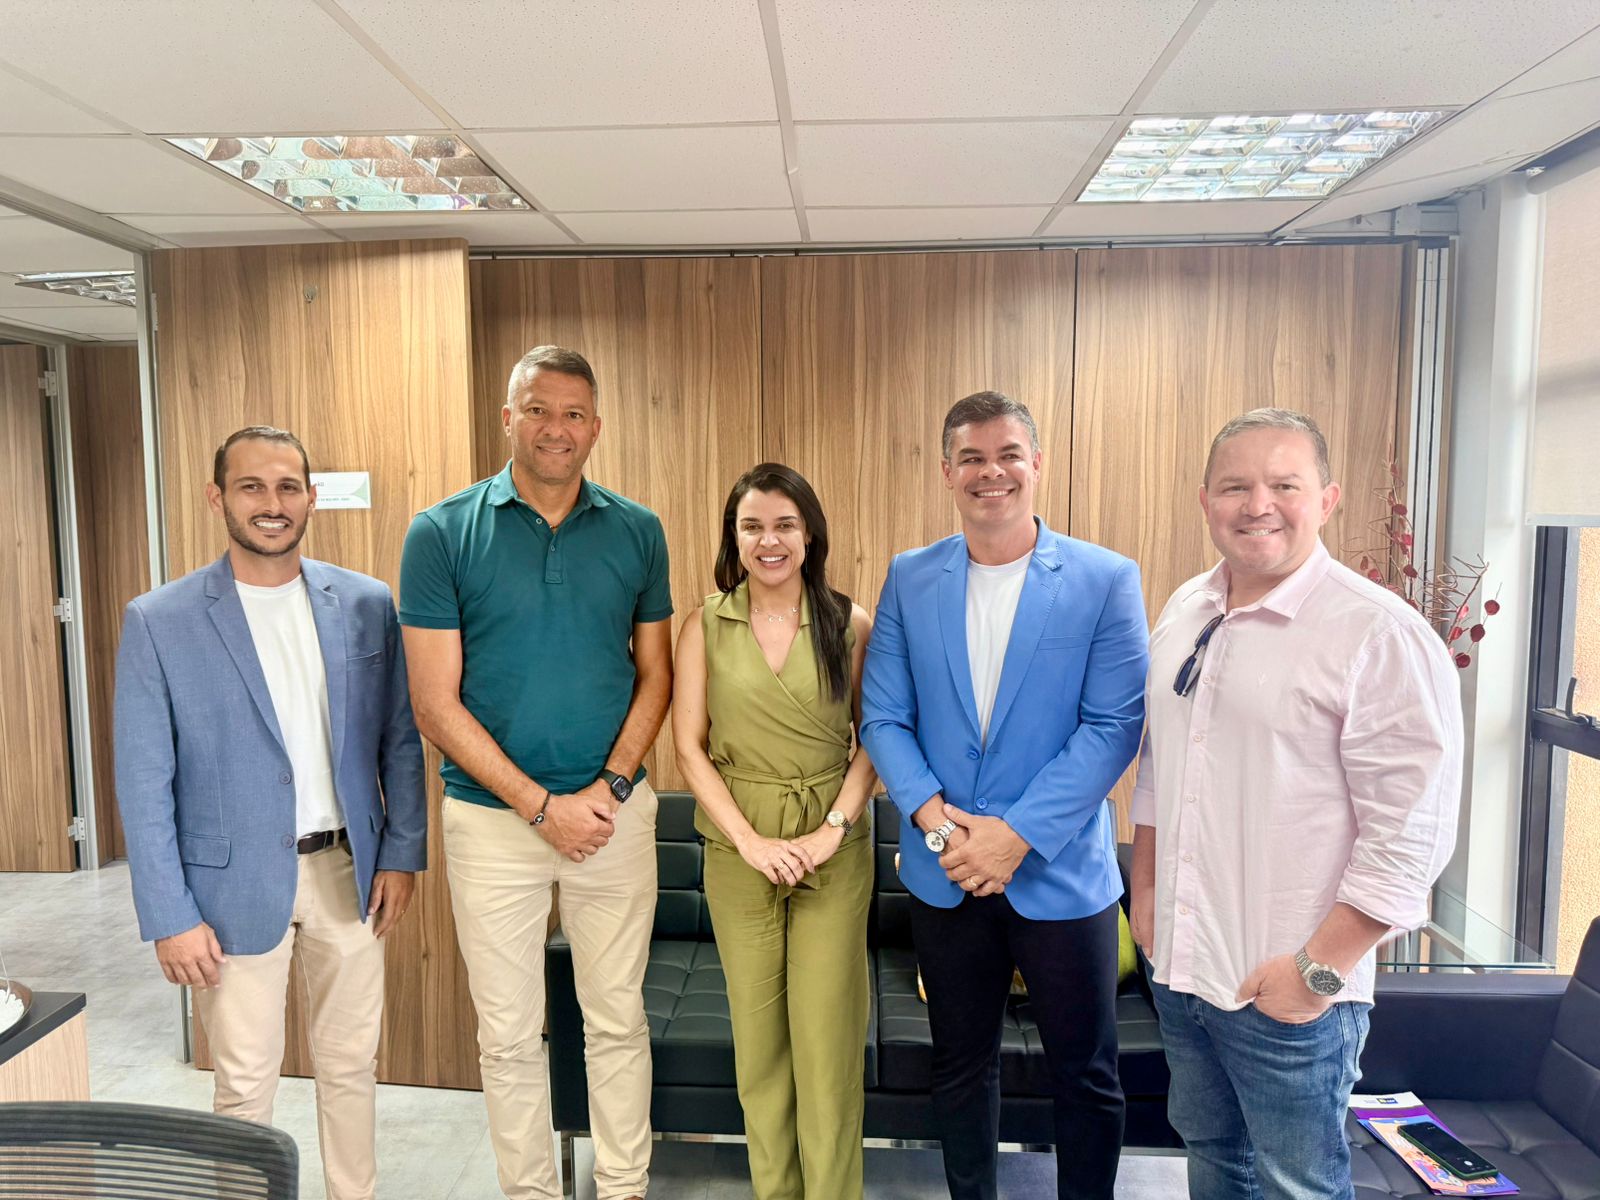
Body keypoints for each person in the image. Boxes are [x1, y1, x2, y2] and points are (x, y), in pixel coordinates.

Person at [1128, 407, 1463, 1200]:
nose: (1258, 505)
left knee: (1296, 1184)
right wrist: (1145, 899)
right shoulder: (1187, 609)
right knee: (1212, 1159)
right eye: (1235, 486)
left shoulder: (1376, 633)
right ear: (1204, 500)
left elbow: (1409, 834)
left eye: (1284, 485)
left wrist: (1313, 972)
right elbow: (1159, 768)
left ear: (1327, 499)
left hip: (1290, 990)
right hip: (1183, 968)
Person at [115, 425, 425, 1200]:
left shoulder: (366, 603)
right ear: (217, 497)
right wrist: (169, 915)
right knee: (245, 1082)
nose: (272, 503)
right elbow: (144, 781)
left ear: (311, 498)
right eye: (251, 486)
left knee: (352, 1066)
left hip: (348, 873)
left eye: (288, 487)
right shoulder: (159, 620)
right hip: (228, 888)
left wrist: (401, 854)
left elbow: (399, 740)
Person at [399, 345, 672, 1200]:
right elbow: (434, 704)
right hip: (491, 823)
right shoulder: (440, 532)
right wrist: (540, 806)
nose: (556, 428)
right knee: (510, 1037)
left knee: (617, 1019)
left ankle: (622, 1188)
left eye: (573, 413)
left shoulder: (638, 530)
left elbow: (657, 675)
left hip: (613, 817)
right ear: (508, 417)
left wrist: (609, 789)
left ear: (596, 427)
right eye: (538, 409)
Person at [861, 391, 1148, 1200]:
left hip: (1060, 873)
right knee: (959, 1067)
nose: (992, 473)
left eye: (1008, 454)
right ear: (947, 471)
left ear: (1037, 463)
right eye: (973, 458)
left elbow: (1113, 727)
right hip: (947, 872)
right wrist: (940, 828)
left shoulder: (1103, 578)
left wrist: (1013, 837)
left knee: (1086, 1074)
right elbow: (883, 716)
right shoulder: (910, 577)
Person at [673, 463, 877, 1200]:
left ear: (809, 533)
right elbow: (688, 746)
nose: (769, 541)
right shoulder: (704, 624)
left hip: (833, 850)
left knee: (827, 1053)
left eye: (785, 524)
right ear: (733, 537)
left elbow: (875, 740)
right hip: (739, 851)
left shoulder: (850, 623)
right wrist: (750, 842)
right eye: (752, 526)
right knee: (760, 1056)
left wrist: (831, 831)